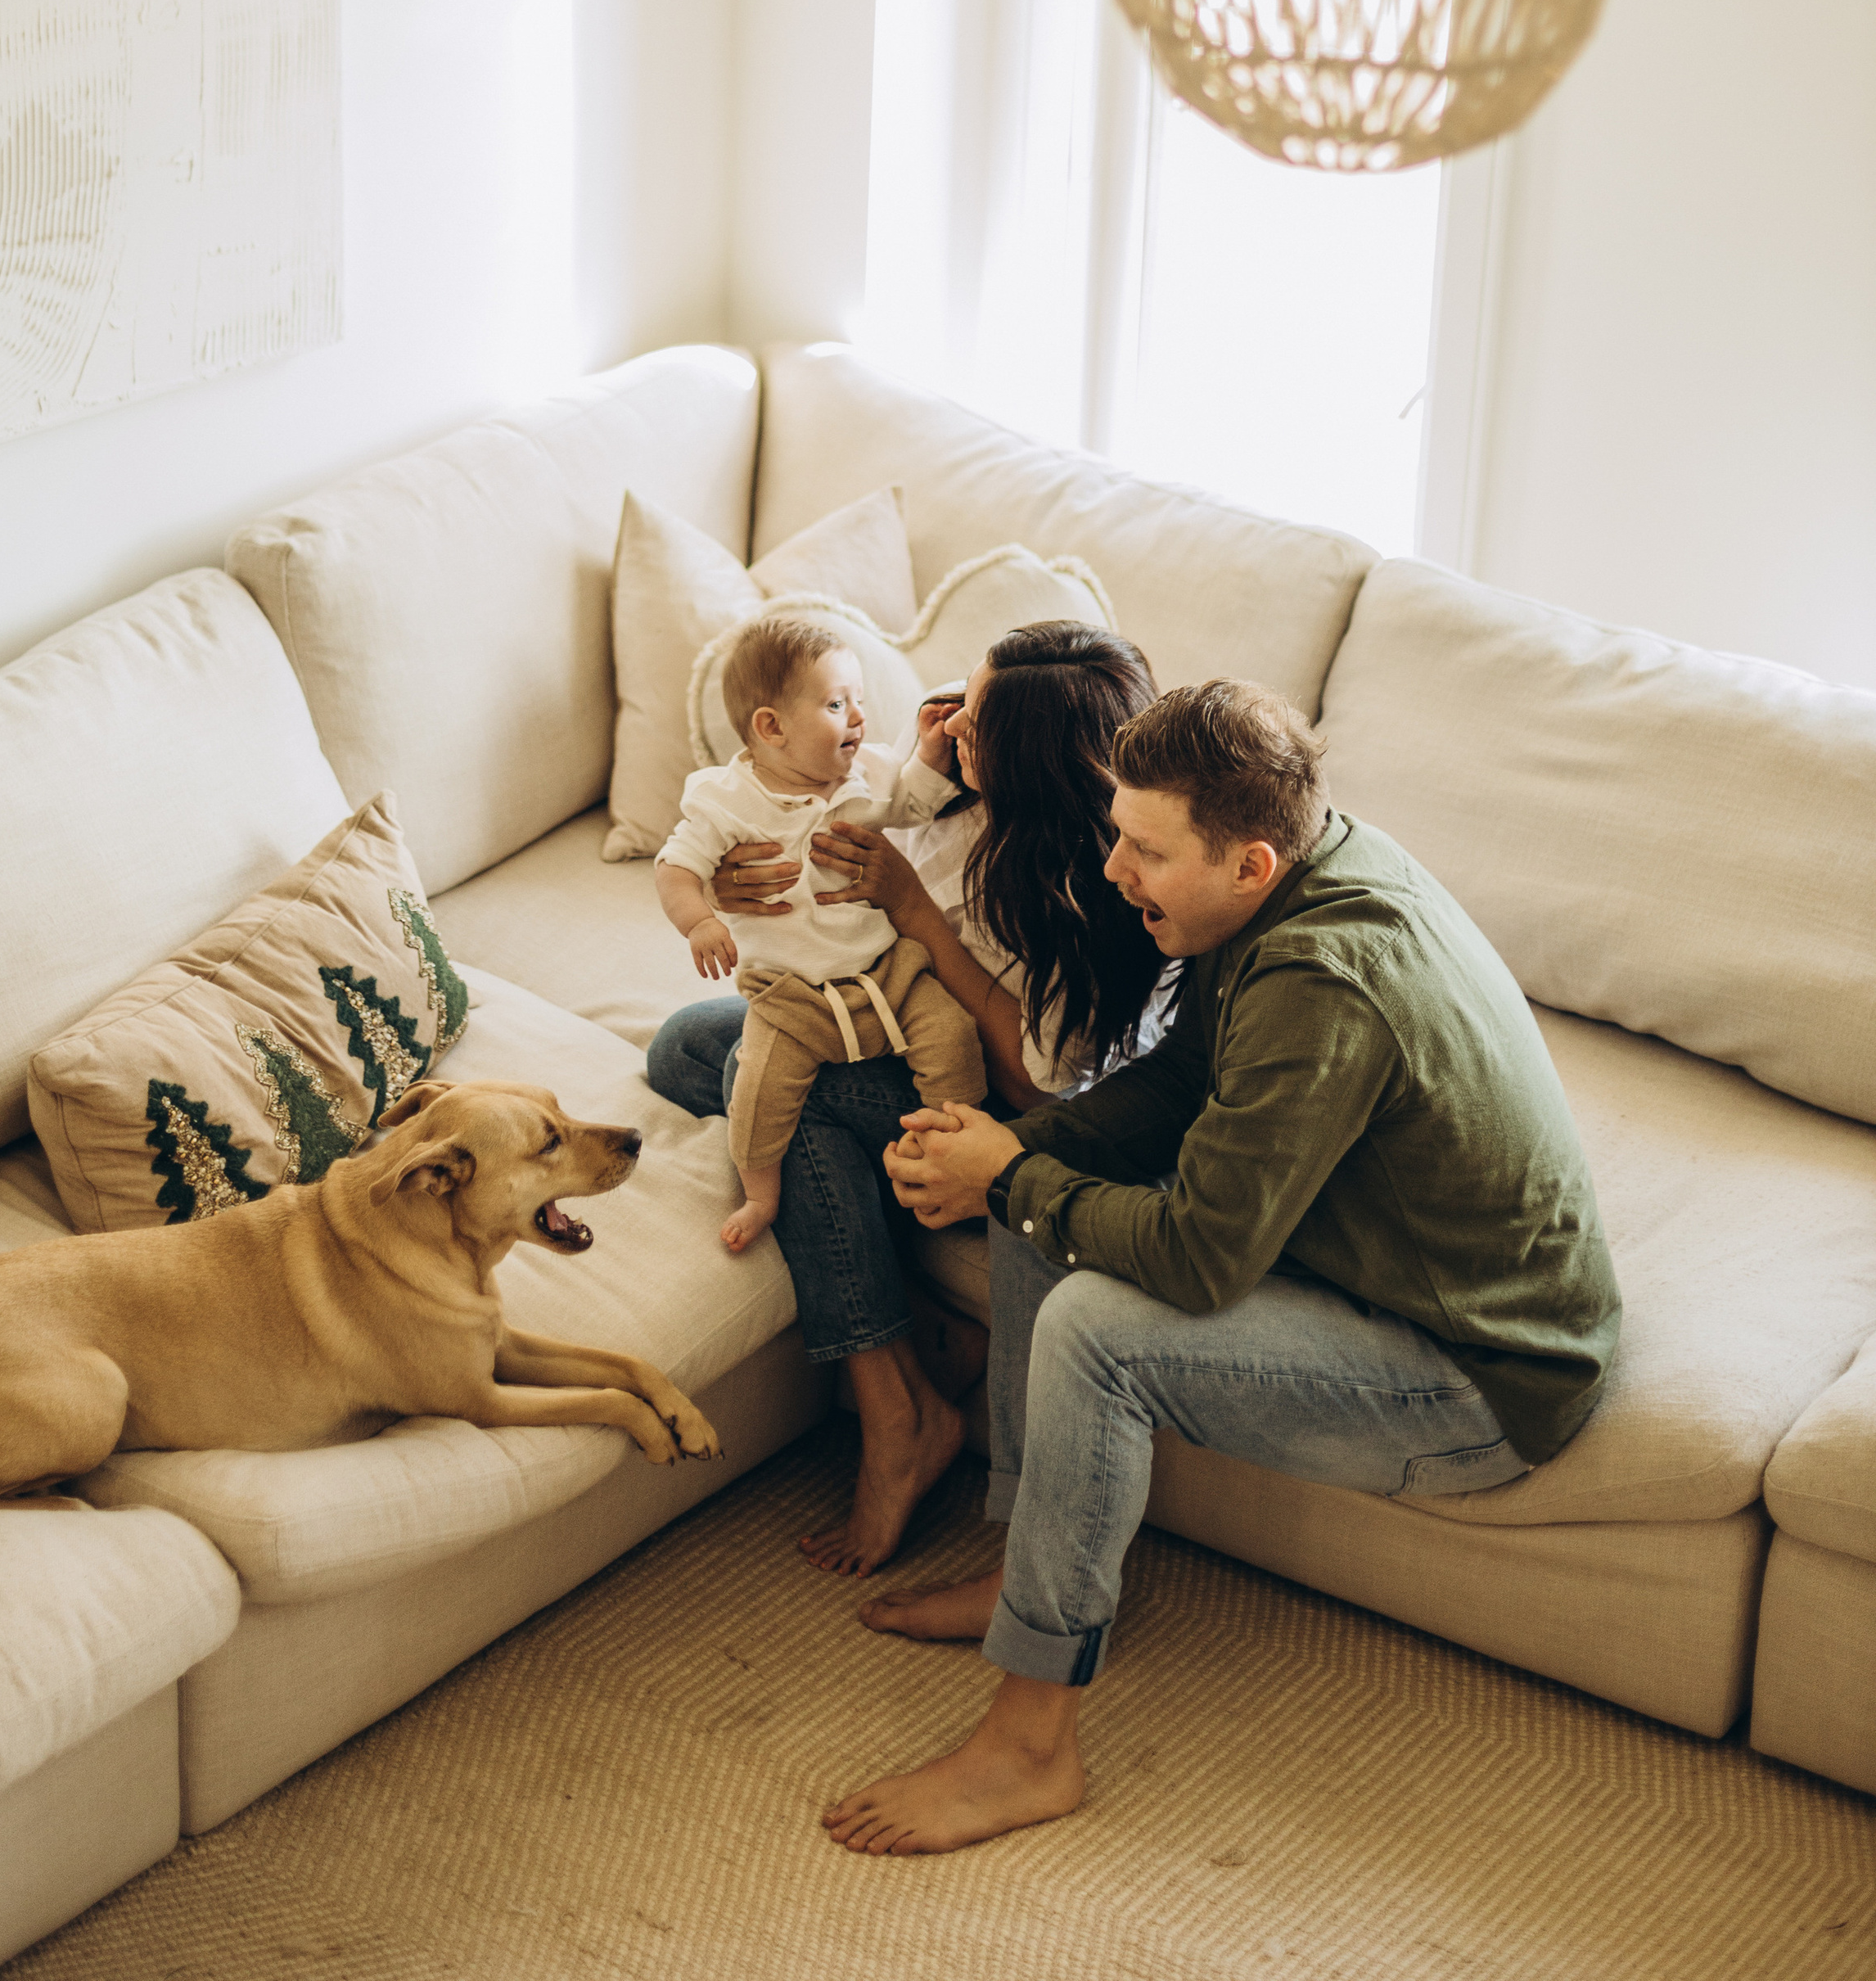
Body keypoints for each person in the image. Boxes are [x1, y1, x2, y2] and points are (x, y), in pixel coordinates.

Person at [822, 677, 1622, 1860]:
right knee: (1043, 1193)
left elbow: (1200, 1260)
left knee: (1090, 1318)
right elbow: (1183, 1076)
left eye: (1146, 852)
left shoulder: (1323, 979)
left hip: (1476, 1369)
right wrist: (1019, 1150)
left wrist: (1007, 1176)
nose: (1113, 873)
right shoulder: (1301, 865)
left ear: (1250, 864)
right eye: (1119, 837)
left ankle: (1032, 1746)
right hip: (1377, 1266)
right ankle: (1026, 1573)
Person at [644, 620, 1159, 1574]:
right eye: (961, 695)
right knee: (684, 1047)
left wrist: (914, 911)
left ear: (1029, 762)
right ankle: (931, 1333)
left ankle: (896, 1410)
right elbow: (812, 792)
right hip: (868, 1000)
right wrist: (739, 878)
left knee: (789, 1093)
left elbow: (1035, 1084)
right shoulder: (944, 771)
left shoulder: (1080, 885)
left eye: (975, 719)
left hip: (980, 1087)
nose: (949, 720)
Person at [654, 618, 979, 1254]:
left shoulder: (868, 773)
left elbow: (914, 802)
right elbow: (676, 866)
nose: (859, 717)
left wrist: (928, 757)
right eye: (836, 704)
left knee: (952, 1035)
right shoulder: (724, 799)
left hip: (888, 973)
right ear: (771, 727)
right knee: (757, 1089)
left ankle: (946, 1147)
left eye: (858, 700)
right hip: (791, 995)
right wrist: (700, 920)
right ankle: (760, 1193)